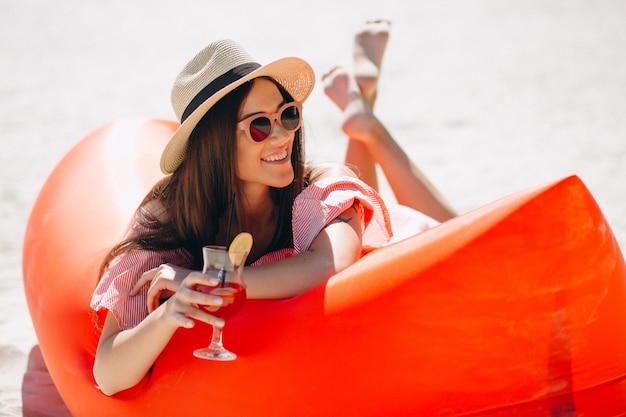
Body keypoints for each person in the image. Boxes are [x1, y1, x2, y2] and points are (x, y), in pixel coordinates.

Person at [90, 20, 455, 396]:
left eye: (288, 114)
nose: (283, 135)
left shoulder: (319, 185)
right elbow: (109, 375)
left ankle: (368, 124)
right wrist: (168, 313)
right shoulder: (170, 216)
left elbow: (333, 263)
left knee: (455, 227)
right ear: (215, 143)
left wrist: (215, 283)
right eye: (260, 126)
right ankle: (361, 107)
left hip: (407, 256)